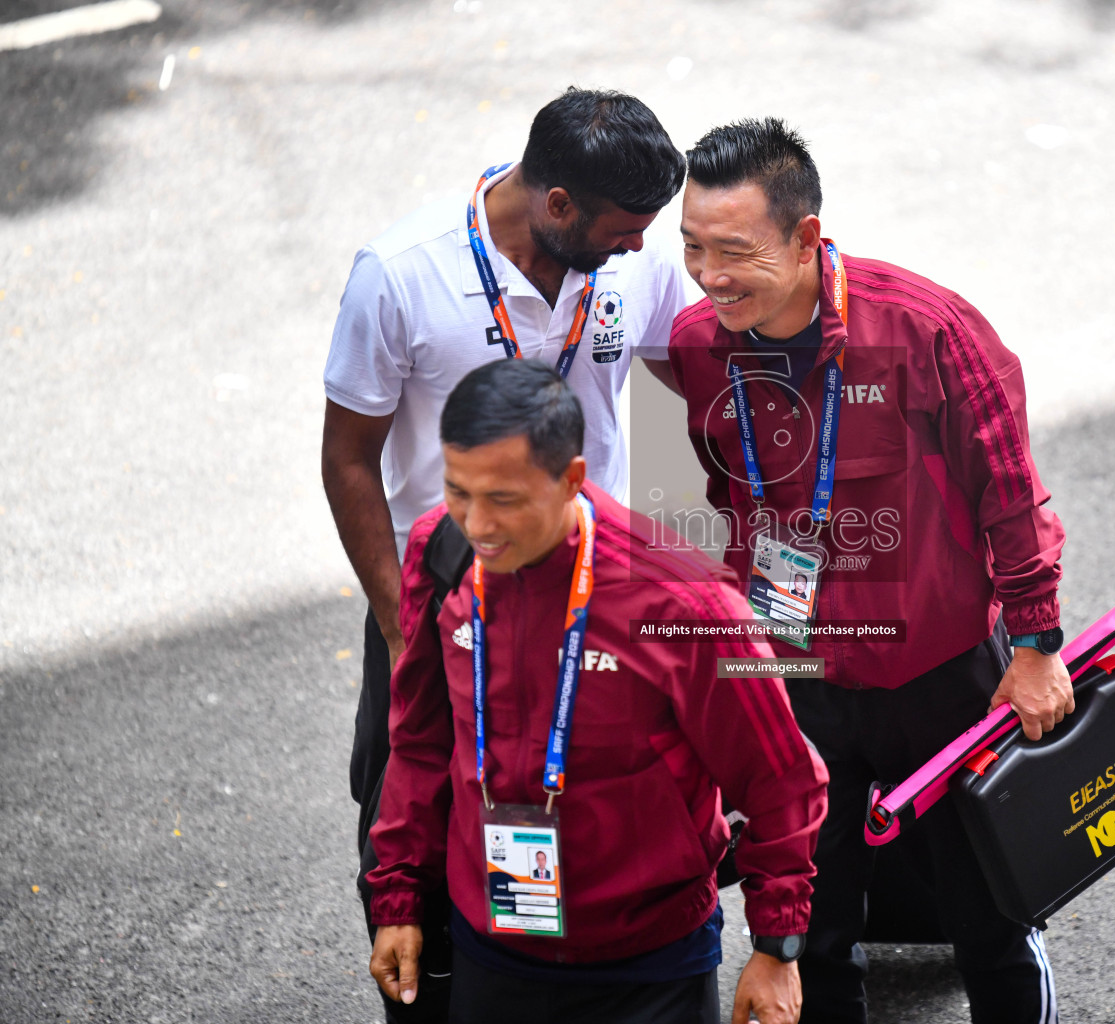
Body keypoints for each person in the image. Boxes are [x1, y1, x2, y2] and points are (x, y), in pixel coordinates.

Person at [664, 119, 1071, 1024]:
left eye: (734, 250)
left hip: (939, 674)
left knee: (988, 915)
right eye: (692, 246)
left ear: (806, 237)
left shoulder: (926, 328)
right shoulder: (695, 347)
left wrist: (1037, 642)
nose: (709, 273)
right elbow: (695, 514)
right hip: (794, 673)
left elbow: (1010, 490)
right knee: (811, 919)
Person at [321, 88, 689, 1020]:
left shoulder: (627, 266)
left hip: (590, 593)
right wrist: (404, 631)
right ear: (556, 205)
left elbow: (673, 409)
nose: (643, 249)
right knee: (410, 803)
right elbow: (349, 461)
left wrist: (692, 584)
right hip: (444, 594)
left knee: (592, 804)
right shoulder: (402, 274)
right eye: (626, 228)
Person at [367, 358, 828, 1024]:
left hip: (648, 968)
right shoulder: (442, 558)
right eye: (458, 492)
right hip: (492, 947)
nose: (477, 524)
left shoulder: (684, 604)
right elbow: (418, 744)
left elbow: (784, 779)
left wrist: (778, 946)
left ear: (572, 480)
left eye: (504, 499)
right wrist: (399, 899)